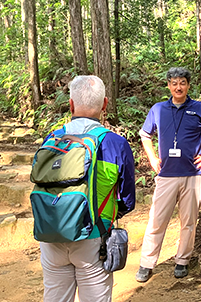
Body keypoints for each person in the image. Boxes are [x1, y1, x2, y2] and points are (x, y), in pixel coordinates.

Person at [38, 75, 135, 302]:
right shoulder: (115, 144)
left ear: (70, 105)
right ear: (104, 105)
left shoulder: (52, 139)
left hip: (51, 233)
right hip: (93, 236)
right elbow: (128, 200)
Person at [135, 67, 201, 282]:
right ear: (168, 85)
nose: (178, 87)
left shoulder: (199, 108)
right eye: (174, 83)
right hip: (166, 174)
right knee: (157, 220)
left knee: (189, 221)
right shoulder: (158, 109)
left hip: (193, 175)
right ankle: (147, 263)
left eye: (182, 83)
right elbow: (145, 134)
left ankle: (182, 261)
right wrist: (152, 158)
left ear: (188, 85)